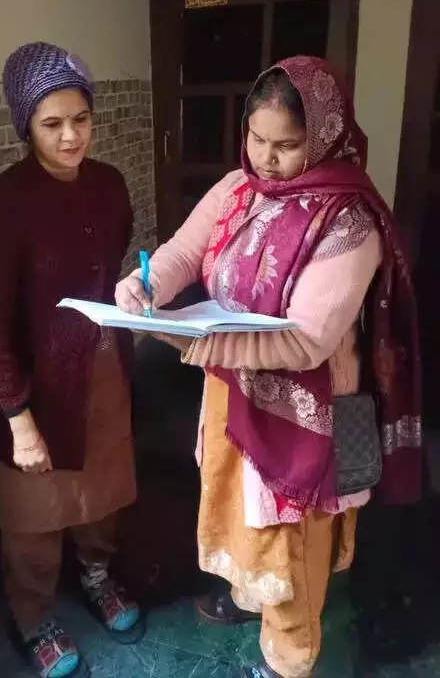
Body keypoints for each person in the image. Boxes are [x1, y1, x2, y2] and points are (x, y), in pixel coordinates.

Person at [115, 56, 421, 678]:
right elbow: (183, 251)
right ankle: (251, 597)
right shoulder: (237, 189)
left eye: (286, 144)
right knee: (243, 517)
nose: (266, 159)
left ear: (325, 135)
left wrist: (198, 344)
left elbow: (306, 343)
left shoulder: (348, 219)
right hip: (236, 393)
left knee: (294, 545)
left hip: (314, 413)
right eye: (257, 138)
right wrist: (145, 285)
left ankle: (289, 659)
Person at [0, 42, 142, 678]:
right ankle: (33, 614)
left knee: (103, 490)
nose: (71, 136)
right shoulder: (2, 204)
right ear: (26, 125)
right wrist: (19, 420)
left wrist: (136, 292)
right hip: (37, 388)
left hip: (103, 370)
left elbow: (114, 264)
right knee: (34, 514)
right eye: (52, 124)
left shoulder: (109, 185)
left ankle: (96, 574)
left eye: (81, 119)